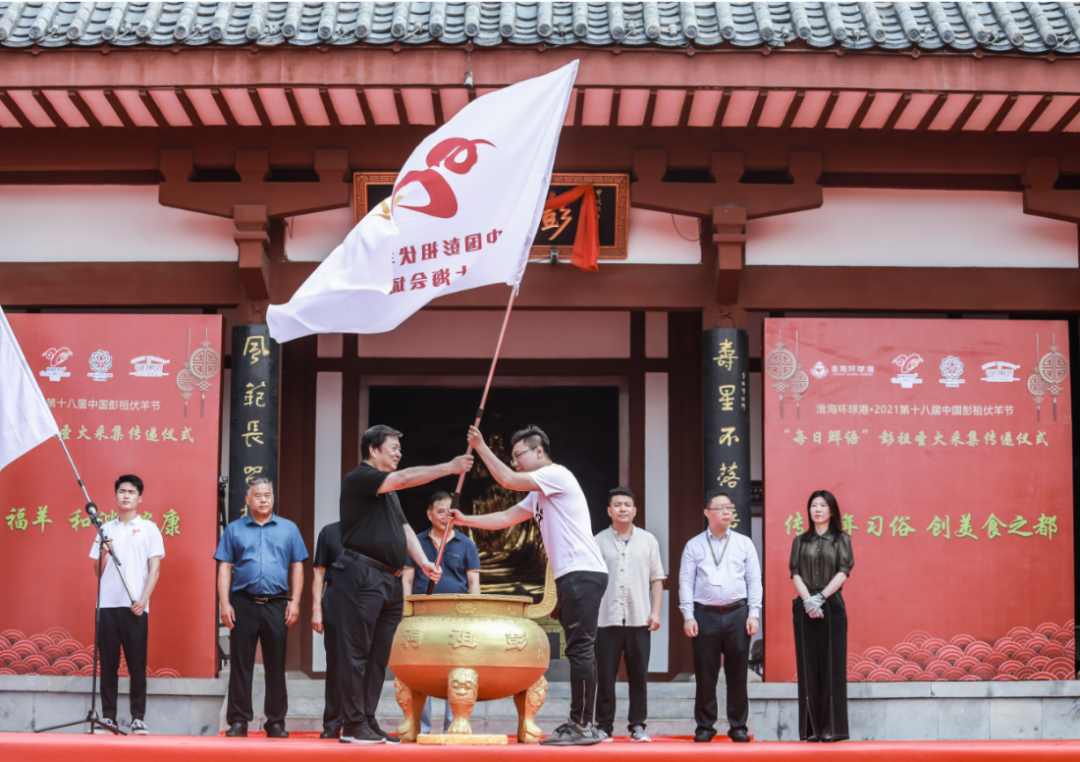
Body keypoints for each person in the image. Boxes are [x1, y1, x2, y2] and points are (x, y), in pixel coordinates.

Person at [453, 424, 608, 746]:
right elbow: (505, 517)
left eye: (517, 455)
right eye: (511, 458)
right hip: (573, 574)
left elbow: (507, 480)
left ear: (539, 451)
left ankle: (581, 724)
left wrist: (481, 447)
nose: (514, 463)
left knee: (580, 649)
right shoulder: (539, 493)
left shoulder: (556, 475)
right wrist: (465, 520)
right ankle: (585, 723)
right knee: (582, 649)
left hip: (581, 572)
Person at [335, 424, 472, 745]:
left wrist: (423, 562)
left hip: (390, 578)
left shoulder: (388, 492)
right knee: (356, 652)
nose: (399, 453)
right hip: (362, 573)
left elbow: (405, 529)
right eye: (393, 447)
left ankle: (367, 719)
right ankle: (352, 724)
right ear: (373, 450)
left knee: (378, 656)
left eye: (399, 448)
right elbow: (406, 477)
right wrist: (449, 468)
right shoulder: (361, 477)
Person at [214, 477, 308, 739]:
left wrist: (295, 601)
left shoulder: (289, 529)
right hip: (243, 603)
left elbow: (297, 566)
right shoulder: (234, 529)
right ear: (247, 500)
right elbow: (224, 567)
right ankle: (238, 721)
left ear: (273, 498)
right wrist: (224, 603)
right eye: (258, 495)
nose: (263, 499)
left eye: (267, 495)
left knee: (276, 665)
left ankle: (275, 722)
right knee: (240, 664)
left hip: (276, 604)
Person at [679, 490, 761, 744]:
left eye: (730, 508)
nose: (727, 512)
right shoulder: (694, 545)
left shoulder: (744, 543)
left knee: (738, 674)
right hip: (705, 615)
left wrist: (754, 613)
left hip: (738, 613)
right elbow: (686, 582)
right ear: (707, 512)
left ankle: (738, 727)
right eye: (721, 508)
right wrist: (688, 615)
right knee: (706, 674)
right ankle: (705, 726)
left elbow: (754, 580)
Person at [88, 474, 164, 735]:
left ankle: (137, 718)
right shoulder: (105, 529)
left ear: (139, 498)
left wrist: (144, 599)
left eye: (131, 492)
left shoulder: (149, 529)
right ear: (115, 496)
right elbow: (97, 571)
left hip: (135, 607)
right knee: (108, 665)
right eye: (122, 491)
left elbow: (155, 569)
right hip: (107, 606)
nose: (126, 496)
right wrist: (104, 550)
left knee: (136, 665)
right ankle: (108, 717)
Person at [401, 491, 482, 734]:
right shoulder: (416, 542)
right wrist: (406, 610)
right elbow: (407, 579)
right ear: (429, 514)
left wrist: (474, 616)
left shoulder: (466, 545)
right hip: (422, 615)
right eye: (440, 511)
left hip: (457, 616)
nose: (446, 516)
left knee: (455, 668)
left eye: (450, 512)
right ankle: (421, 726)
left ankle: (453, 724)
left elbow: (473, 583)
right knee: (420, 669)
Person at [593, 487, 666, 743]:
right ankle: (604, 726)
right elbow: (592, 581)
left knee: (638, 676)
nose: (622, 508)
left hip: (639, 618)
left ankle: (637, 726)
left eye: (627, 504)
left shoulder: (648, 540)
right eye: (617, 504)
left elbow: (657, 578)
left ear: (634, 511)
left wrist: (656, 611)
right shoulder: (598, 541)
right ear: (609, 511)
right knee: (605, 676)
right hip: (606, 619)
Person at [790, 490, 854, 742]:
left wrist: (821, 597)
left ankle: (832, 729)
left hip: (831, 602)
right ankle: (812, 729)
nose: (817, 509)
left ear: (832, 510)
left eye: (823, 505)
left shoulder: (842, 539)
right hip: (805, 603)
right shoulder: (800, 541)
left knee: (832, 665)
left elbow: (843, 571)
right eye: (813, 505)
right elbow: (795, 573)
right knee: (808, 665)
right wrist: (808, 600)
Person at [312, 520, 344, 739]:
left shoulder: (371, 531)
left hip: (364, 599)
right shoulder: (329, 532)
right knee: (335, 664)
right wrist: (316, 609)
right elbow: (319, 573)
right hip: (334, 597)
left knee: (361, 664)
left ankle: (358, 721)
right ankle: (332, 723)